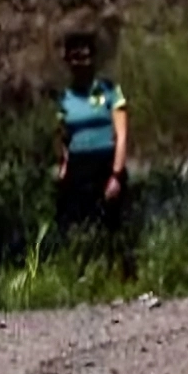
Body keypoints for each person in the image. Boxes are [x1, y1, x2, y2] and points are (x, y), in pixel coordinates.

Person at [54, 31, 135, 279]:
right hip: (80, 166)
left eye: (85, 56)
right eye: (75, 57)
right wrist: (64, 166)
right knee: (79, 224)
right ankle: (83, 273)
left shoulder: (110, 91)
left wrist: (116, 174)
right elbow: (64, 136)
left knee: (113, 224)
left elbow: (121, 135)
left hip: (106, 161)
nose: (80, 62)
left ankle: (123, 275)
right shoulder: (65, 98)